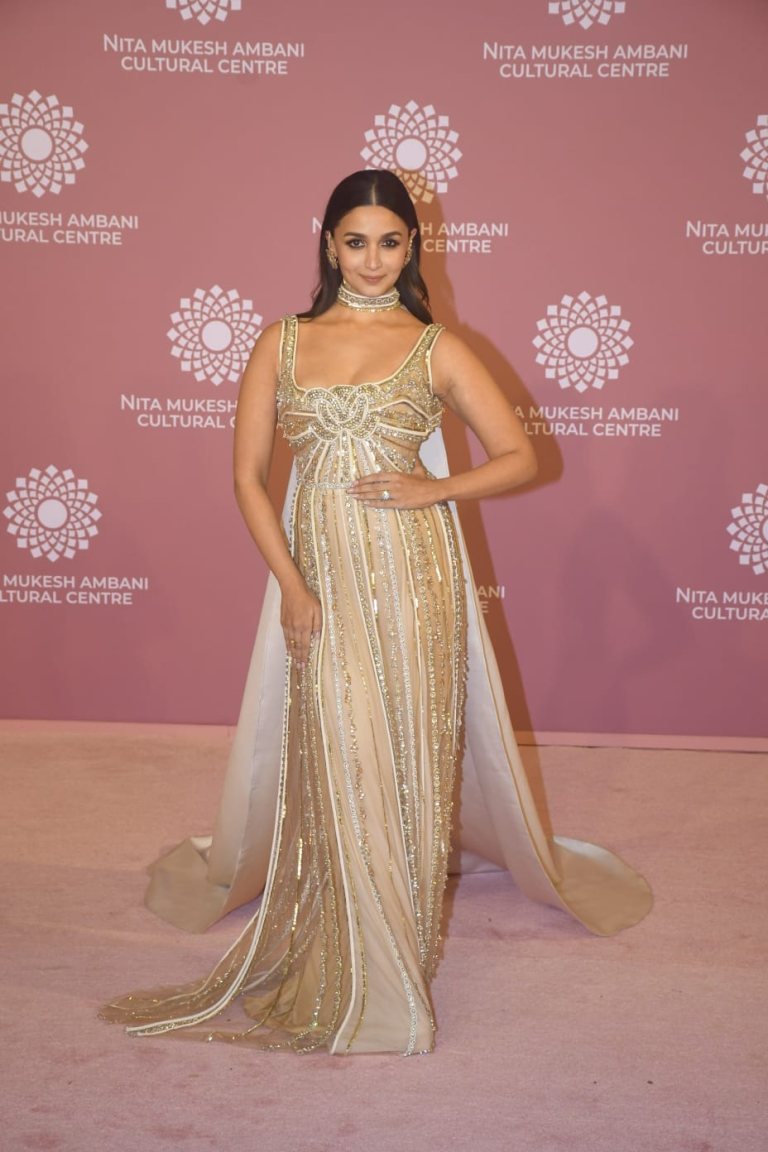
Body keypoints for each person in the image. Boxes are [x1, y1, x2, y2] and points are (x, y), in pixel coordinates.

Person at [99, 170, 652, 1056]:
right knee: (338, 750)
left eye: (390, 242)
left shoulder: (435, 346)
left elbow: (519, 455)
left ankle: (393, 957)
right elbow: (247, 479)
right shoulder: (281, 341)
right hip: (319, 578)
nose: (371, 259)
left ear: (411, 248)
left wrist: (436, 487)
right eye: (355, 242)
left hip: (414, 578)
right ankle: (343, 940)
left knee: (404, 754)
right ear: (328, 244)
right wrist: (293, 585)